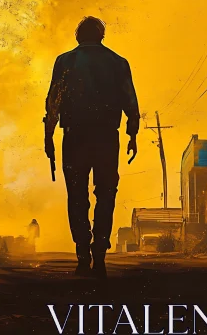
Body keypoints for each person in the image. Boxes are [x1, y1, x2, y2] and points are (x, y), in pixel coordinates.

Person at [43, 16, 140, 276]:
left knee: (77, 195)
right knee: (106, 194)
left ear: (78, 36)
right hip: (107, 137)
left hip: (74, 136)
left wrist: (48, 136)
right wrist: (132, 134)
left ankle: (83, 252)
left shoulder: (64, 61)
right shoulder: (118, 63)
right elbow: (130, 102)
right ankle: (99, 252)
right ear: (101, 36)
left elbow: (53, 102)